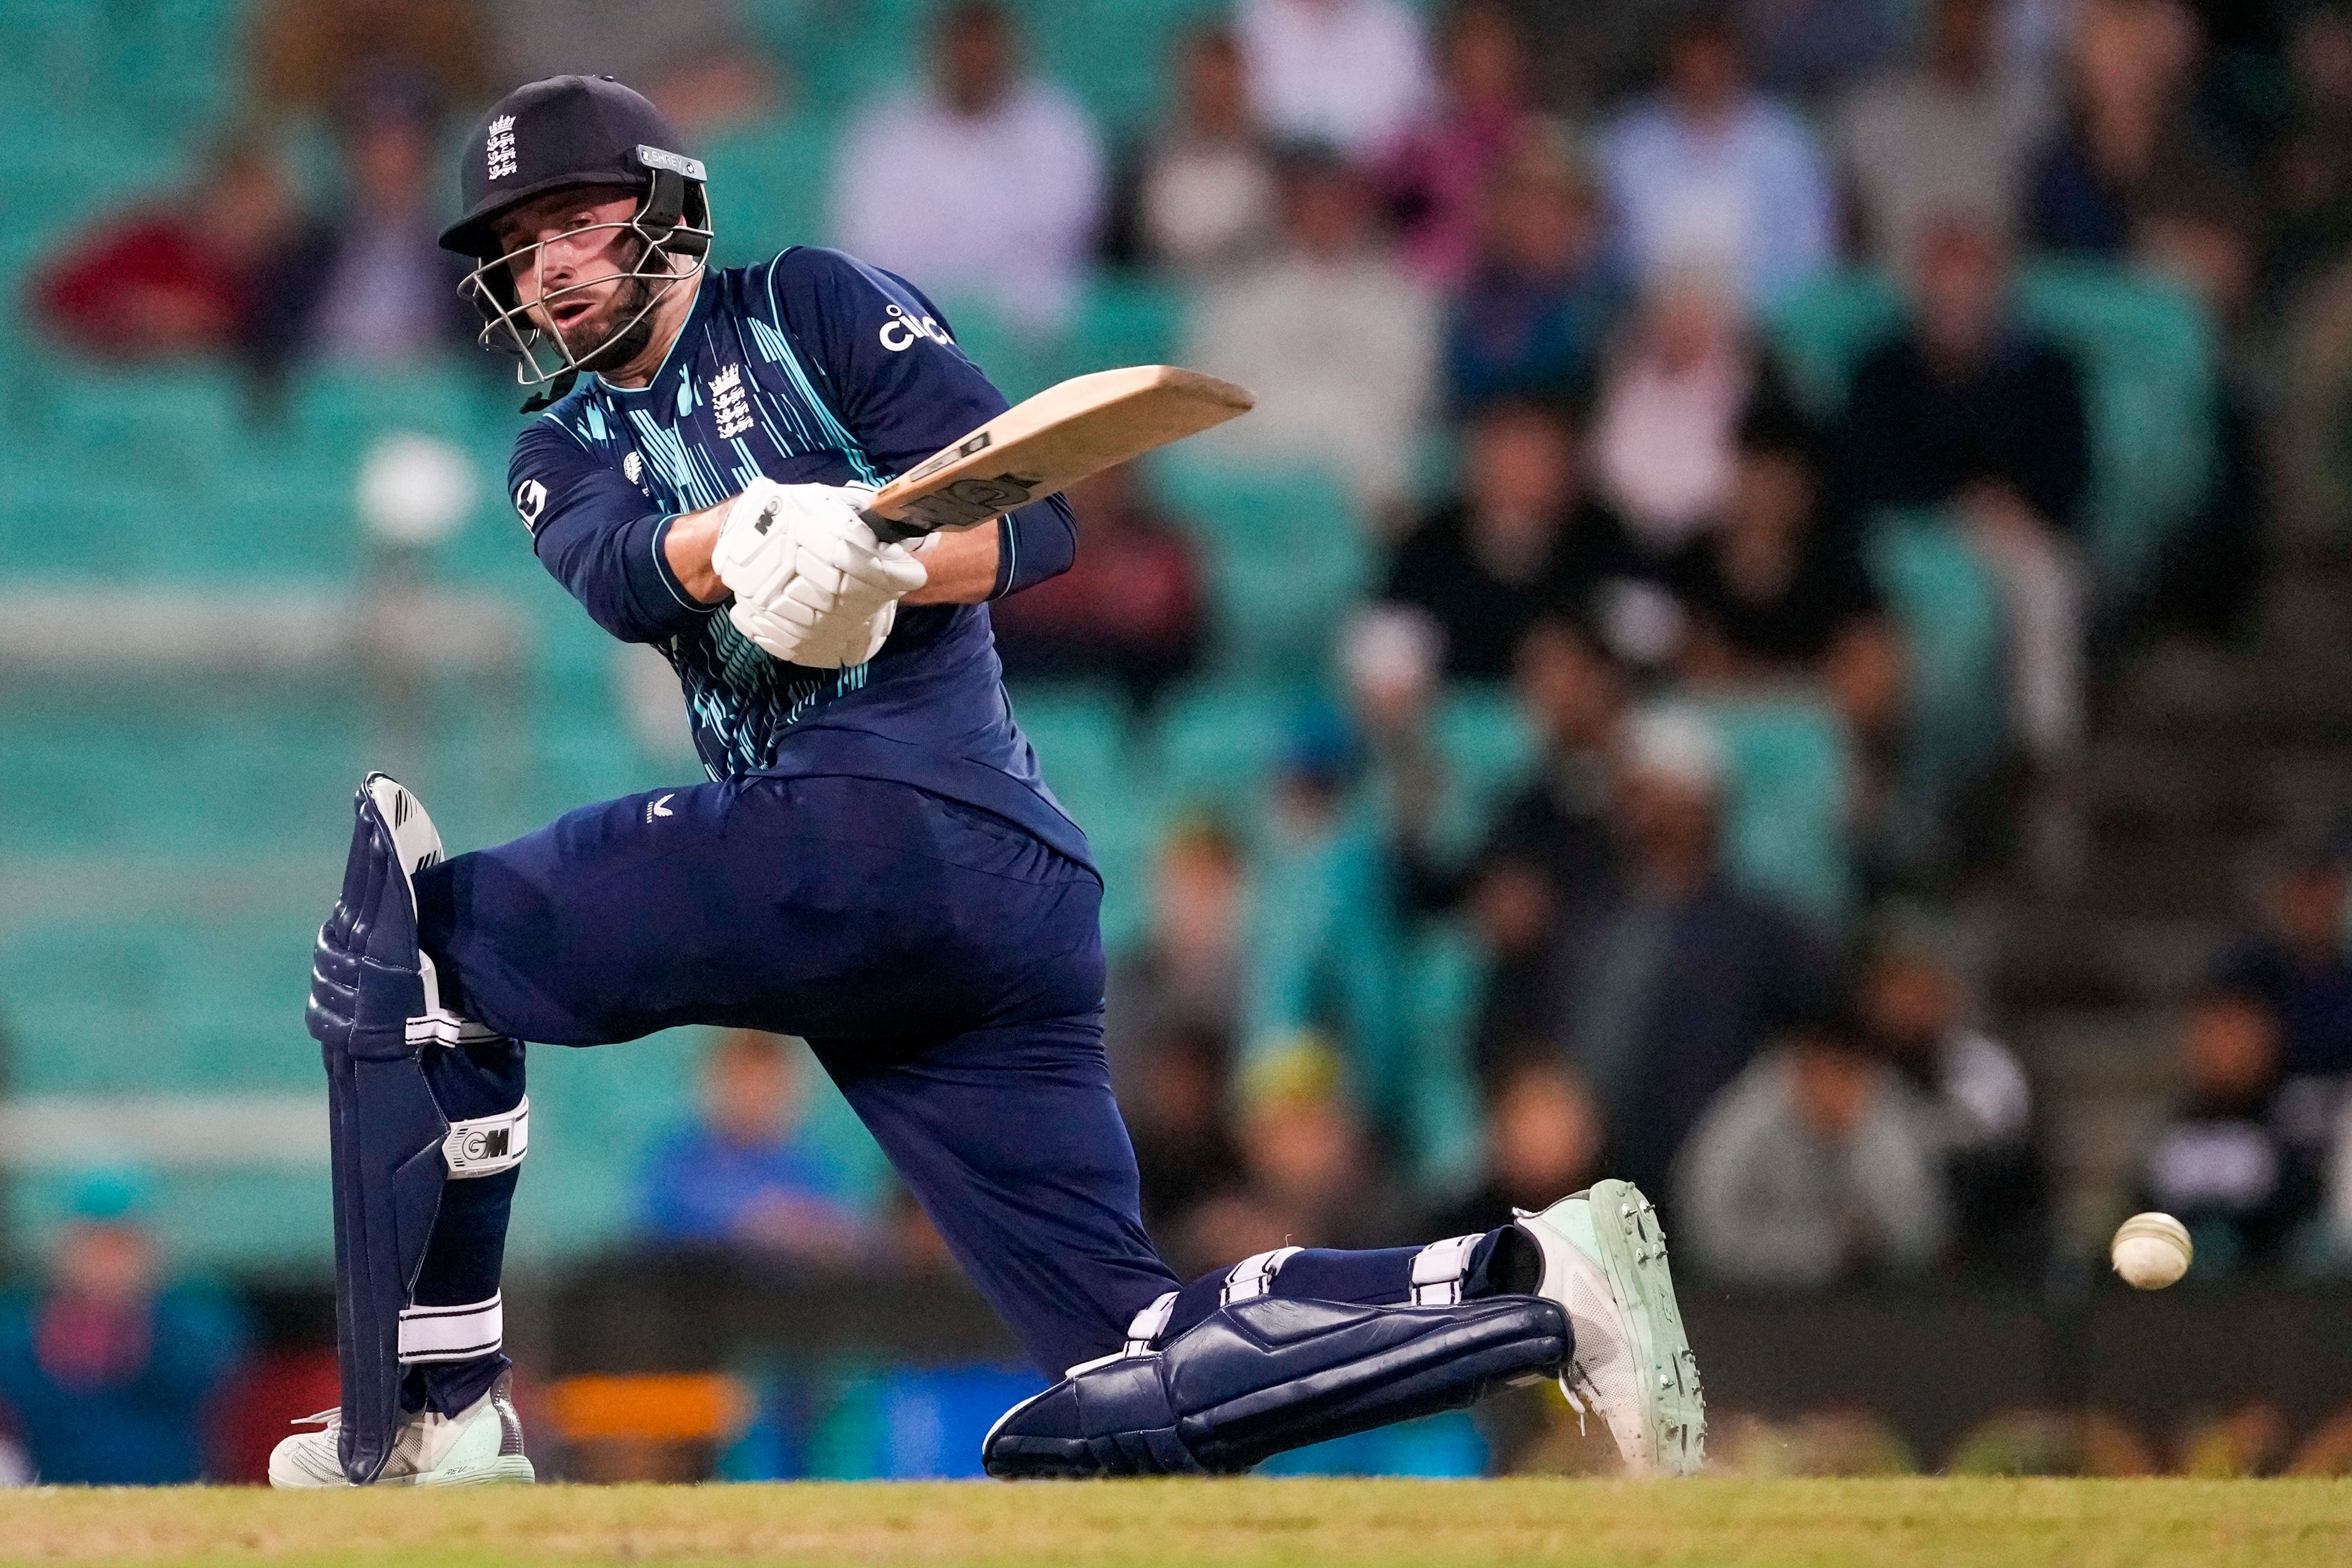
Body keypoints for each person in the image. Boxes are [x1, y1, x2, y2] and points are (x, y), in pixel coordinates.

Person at [272, 73, 1703, 1488]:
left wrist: (887, 563)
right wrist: (759, 534)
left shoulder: (809, 306)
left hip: (887, 826)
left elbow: (1035, 522)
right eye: (520, 248)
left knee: (422, 943)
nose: (549, 267)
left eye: (573, 221)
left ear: (665, 214)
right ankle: (1530, 1282)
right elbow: (624, 572)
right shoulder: (557, 439)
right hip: (977, 911)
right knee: (1130, 1367)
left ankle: (429, 1419)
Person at [1183, 142, 1439, 522]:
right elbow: (1213, 393)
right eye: (1311, 203)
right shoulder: (1240, 297)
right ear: (1290, 211)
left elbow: (1403, 399)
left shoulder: (1401, 301)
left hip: (1358, 462)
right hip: (1257, 461)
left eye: (1335, 203)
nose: (1323, 216)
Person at [833, 2, 1104, 333]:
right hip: (909, 318)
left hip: (1032, 320)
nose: (976, 63)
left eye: (986, 48)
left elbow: (1060, 232)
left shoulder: (1057, 126)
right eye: (964, 47)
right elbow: (871, 243)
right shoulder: (885, 129)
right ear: (939, 51)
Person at [0, 1174, 249, 1484]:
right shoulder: (21, 1321)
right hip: (53, 1487)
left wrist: (129, 1320)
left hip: (174, 1485)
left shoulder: (195, 1315)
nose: (106, 1261)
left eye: (122, 1246)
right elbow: (26, 1403)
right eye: (92, 1244)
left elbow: (199, 1382)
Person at [1675, 1015, 1951, 1290]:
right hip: (1743, 1303)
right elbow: (1706, 1238)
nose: (1834, 1087)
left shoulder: (1879, 1111)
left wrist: (1862, 1140)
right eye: (1824, 1069)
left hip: (1864, 1306)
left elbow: (1922, 1237)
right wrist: (1824, 1249)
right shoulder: (1744, 1121)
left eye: (1848, 1072)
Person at [1595, 7, 1836, 311]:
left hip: (1765, 321)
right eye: (1692, 59)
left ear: (1738, 63)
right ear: (1669, 64)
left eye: (1713, 60)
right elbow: (1609, 251)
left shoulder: (1785, 144)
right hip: (1647, 315)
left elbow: (1811, 252)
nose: (1702, 72)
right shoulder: (1628, 143)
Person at [1383, 397, 1638, 681]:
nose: (1526, 475)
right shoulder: (1431, 544)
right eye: (1510, 457)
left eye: (1543, 459)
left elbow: (1653, 638)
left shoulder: (1604, 537)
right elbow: (1392, 653)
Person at [248, 77, 477, 375]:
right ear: (350, 156)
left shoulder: (467, 265)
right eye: (375, 145)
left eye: (405, 145)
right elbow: (266, 356)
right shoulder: (300, 259)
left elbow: (486, 372)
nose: (390, 162)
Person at [1855, 930, 2050, 1283]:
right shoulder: (1859, 1068)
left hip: (1981, 1225)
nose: (1906, 1009)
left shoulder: (1983, 1061)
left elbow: (1965, 1138)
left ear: (1944, 999)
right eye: (1894, 994)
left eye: (1919, 994)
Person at [31, 140, 295, 364]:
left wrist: (215, 325)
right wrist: (129, 311)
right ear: (203, 204)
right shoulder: (151, 245)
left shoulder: (279, 274)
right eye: (237, 212)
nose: (247, 229)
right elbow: (55, 302)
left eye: (261, 218)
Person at [1835, 0, 2054, 266]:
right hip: (1891, 300)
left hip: (2008, 300)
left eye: (1977, 10)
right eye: (1953, 9)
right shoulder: (1871, 118)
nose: (1964, 23)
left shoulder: (2035, 113)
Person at [2136, 987, 2323, 1278]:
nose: (2224, 1050)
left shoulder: (2291, 1129)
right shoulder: (2174, 1135)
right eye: (2211, 1035)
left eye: (2237, 1035)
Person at [986, 463, 1206, 708]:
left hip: (1131, 701)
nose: (1092, 487)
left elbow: (1175, 642)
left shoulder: (1161, 551)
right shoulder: (1021, 544)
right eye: (1081, 475)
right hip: (1028, 691)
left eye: (1105, 474)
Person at [635, 1030, 868, 1261]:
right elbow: (655, 1219)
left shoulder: (807, 1166)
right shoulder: (680, 1157)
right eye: (745, 1083)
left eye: (767, 1086)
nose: (755, 1098)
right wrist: (751, 1221)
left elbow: (841, 1229)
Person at [1441, 135, 1619, 414]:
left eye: (1554, 206)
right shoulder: (1466, 301)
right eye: (1524, 203)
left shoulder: (1605, 309)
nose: (1537, 220)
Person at [1116, 27, 1281, 279]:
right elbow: (1135, 247)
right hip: (1164, 289)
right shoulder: (1147, 159)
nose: (1215, 93)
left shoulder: (1276, 162)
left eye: (1226, 81)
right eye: (1206, 80)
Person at [1234, 0, 1433, 162]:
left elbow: (1414, 125)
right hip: (1273, 180)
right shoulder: (1246, 22)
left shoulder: (1393, 23)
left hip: (1378, 184)